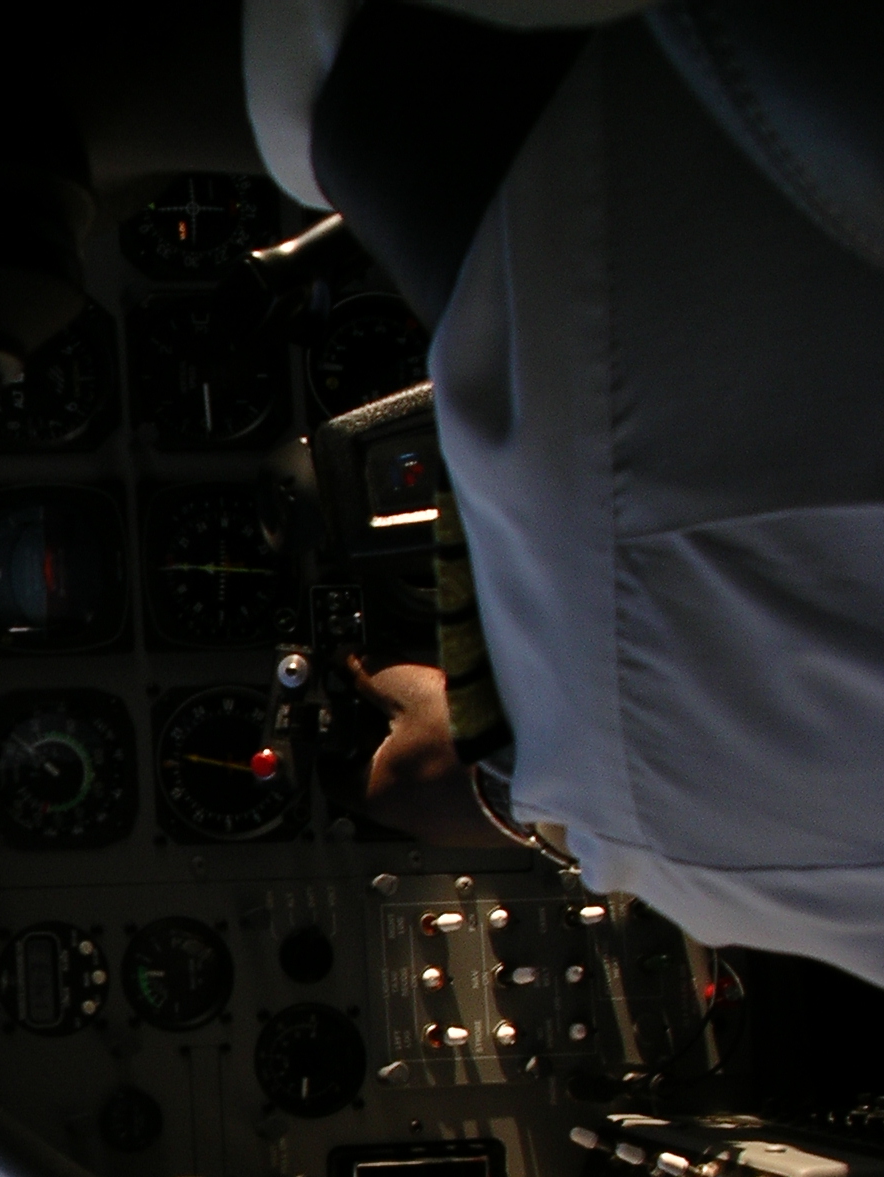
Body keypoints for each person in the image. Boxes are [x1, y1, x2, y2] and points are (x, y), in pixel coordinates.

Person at [248, 0, 884, 986]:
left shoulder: (678, 813)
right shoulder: (660, 780)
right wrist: (501, 768)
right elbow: (365, 76)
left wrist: (500, 779)